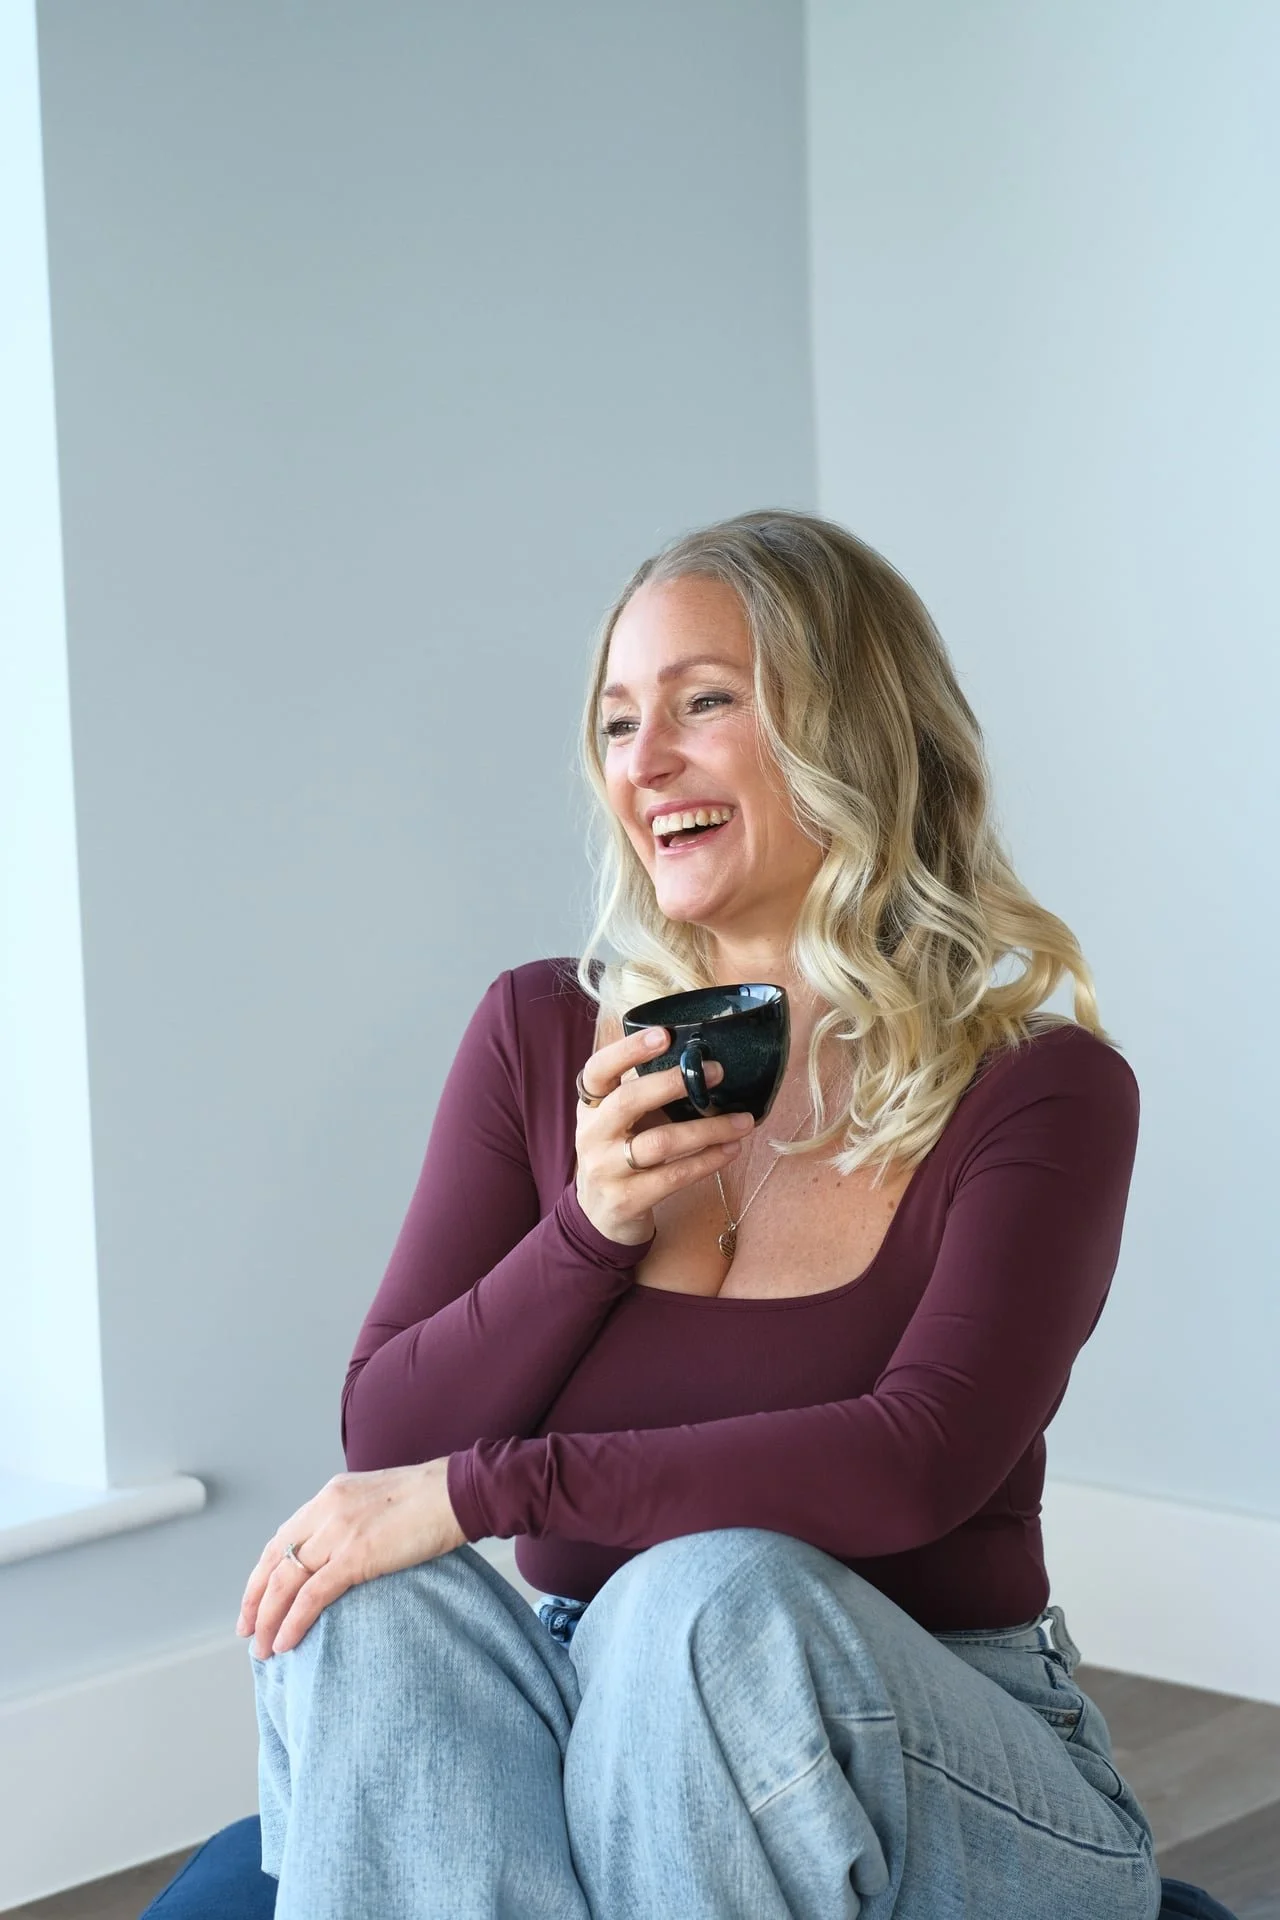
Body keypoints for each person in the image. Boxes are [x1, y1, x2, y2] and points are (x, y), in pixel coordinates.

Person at [236, 509, 1164, 1919]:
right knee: (355, 1593)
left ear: (852, 733)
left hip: (929, 1742)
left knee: (704, 1600)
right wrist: (590, 1229)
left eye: (704, 703)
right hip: (582, 1696)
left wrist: (493, 1492)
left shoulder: (1039, 1089)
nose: (645, 762)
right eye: (618, 723)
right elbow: (390, 1441)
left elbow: (914, 1467)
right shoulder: (542, 1035)